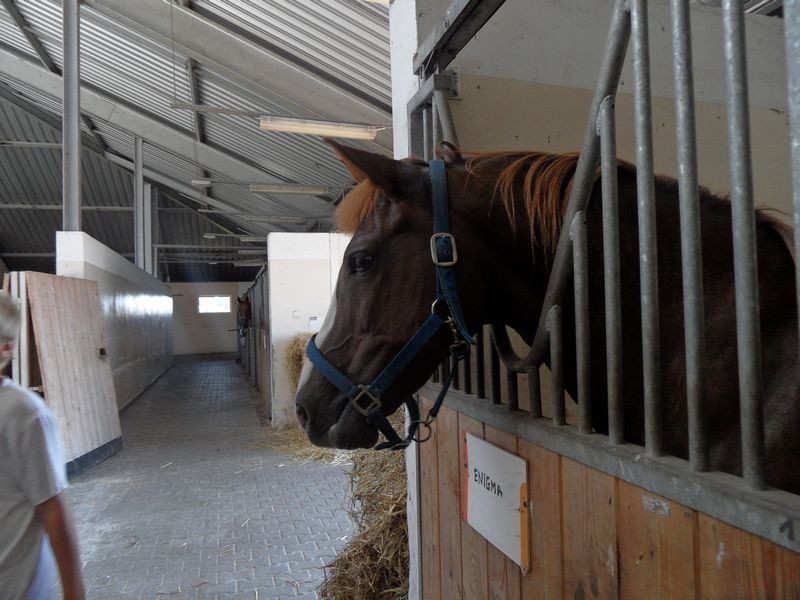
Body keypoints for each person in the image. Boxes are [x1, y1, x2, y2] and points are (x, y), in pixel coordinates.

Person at [0, 291, 85, 600]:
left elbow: (52, 509)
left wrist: (74, 593)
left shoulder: (24, 414)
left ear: (6, 348)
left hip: (16, 588)